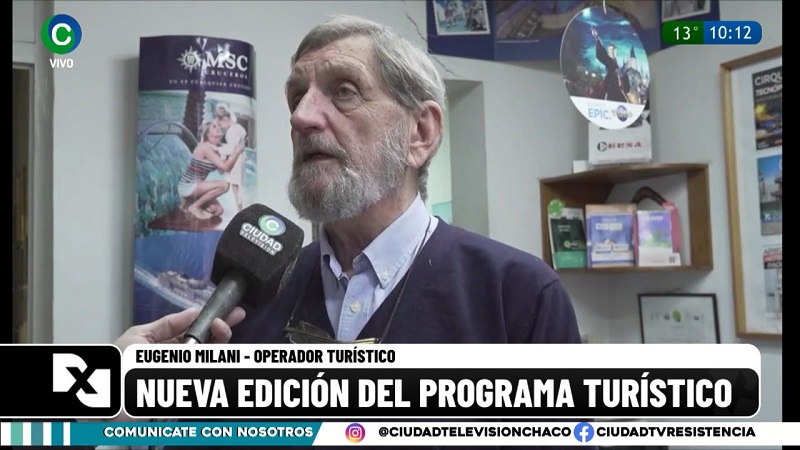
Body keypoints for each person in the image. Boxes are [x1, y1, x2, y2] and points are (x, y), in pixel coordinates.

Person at [116, 15, 590, 450]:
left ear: (420, 133)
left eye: (344, 91)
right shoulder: (250, 302)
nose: (301, 117)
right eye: (296, 97)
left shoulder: (519, 298)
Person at [177, 120, 244, 220]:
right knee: (224, 186)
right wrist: (237, 152)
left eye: (218, 126)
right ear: (208, 134)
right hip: (188, 186)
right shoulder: (205, 148)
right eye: (214, 127)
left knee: (218, 211)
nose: (218, 127)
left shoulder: (218, 147)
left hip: (198, 186)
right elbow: (225, 167)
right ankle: (194, 207)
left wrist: (230, 155)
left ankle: (189, 202)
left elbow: (221, 171)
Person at [213, 104, 247, 211]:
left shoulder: (231, 131)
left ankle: (239, 208)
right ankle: (239, 207)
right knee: (238, 184)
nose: (221, 127)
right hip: (241, 159)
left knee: (235, 185)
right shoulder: (239, 128)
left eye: (220, 124)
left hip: (236, 161)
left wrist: (219, 149)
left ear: (225, 119)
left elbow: (231, 149)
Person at [590, 26, 627, 103]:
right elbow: (601, 54)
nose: (612, 51)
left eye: (614, 50)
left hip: (617, 87)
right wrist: (596, 38)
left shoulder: (616, 62)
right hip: (609, 86)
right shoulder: (608, 59)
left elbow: (620, 75)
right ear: (609, 51)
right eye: (611, 50)